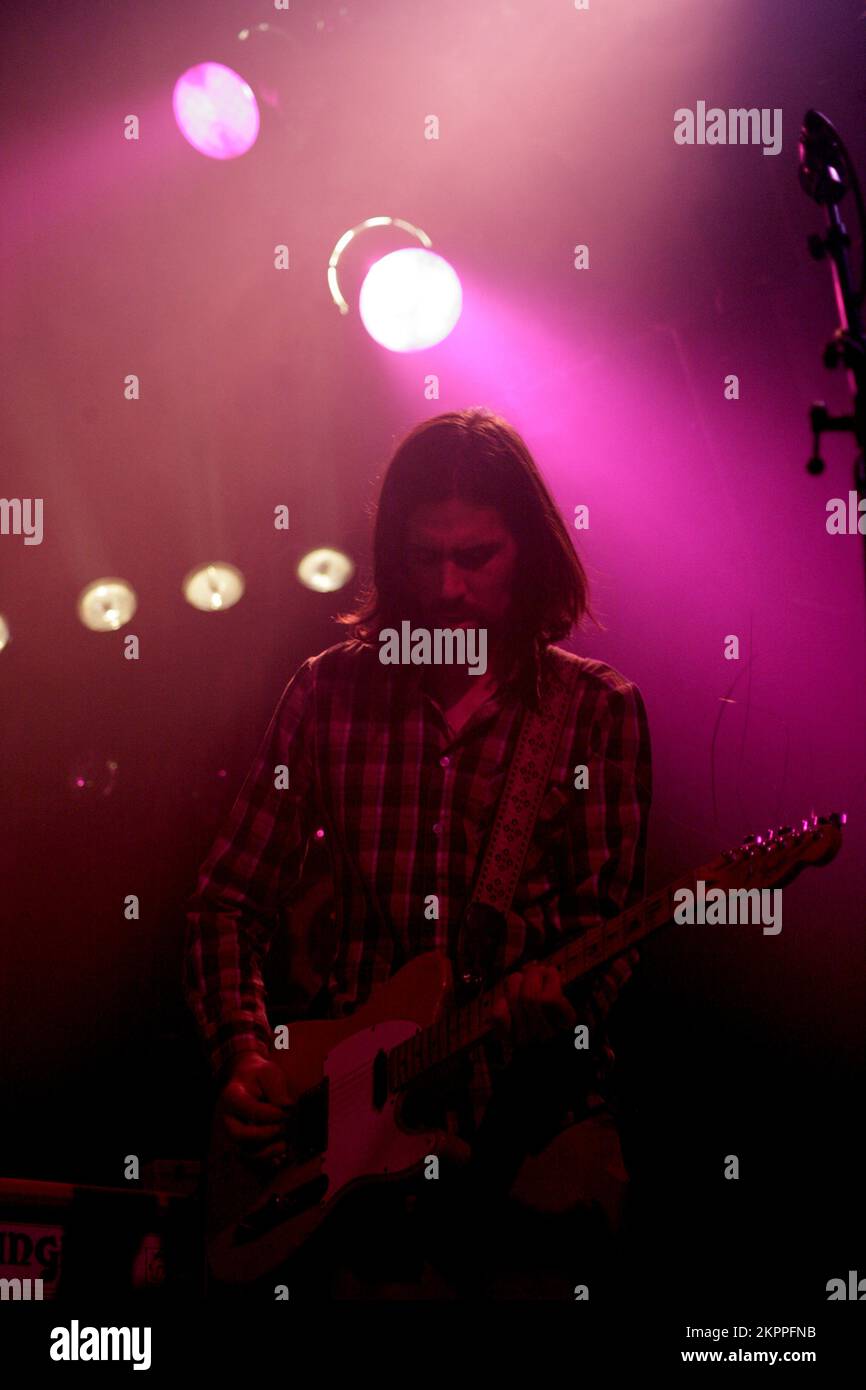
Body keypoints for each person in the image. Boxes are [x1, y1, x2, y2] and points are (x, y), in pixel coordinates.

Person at [183, 407, 652, 1299]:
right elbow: (227, 900)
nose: (446, 586)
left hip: (534, 1136)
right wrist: (245, 1055)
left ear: (533, 552)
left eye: (477, 557)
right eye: (423, 556)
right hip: (340, 1154)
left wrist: (560, 1003)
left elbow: (604, 936)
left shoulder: (596, 714)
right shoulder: (328, 694)